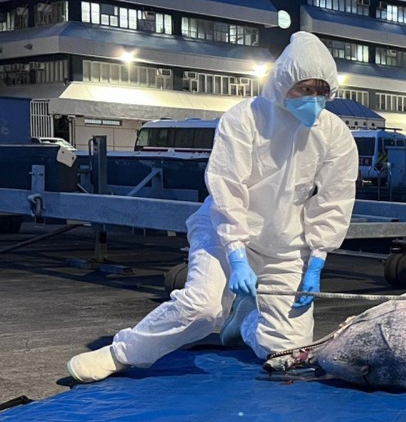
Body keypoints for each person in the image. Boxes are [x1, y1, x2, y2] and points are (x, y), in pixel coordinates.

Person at [67, 32, 359, 382]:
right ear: (283, 83)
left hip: (285, 244)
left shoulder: (335, 134)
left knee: (287, 350)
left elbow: (334, 200)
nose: (313, 100)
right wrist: (235, 255)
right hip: (224, 231)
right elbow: (227, 188)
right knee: (202, 309)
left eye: (321, 91)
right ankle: (121, 353)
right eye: (304, 89)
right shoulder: (245, 119)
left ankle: (247, 323)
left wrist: (317, 260)